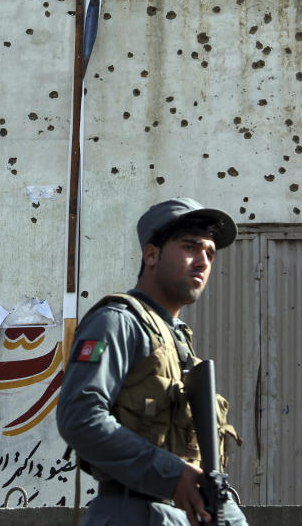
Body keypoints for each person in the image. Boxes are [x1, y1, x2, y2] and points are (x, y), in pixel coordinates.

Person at [57, 198, 248, 526]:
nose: (203, 261)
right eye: (190, 247)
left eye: (210, 253)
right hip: (131, 512)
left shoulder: (176, 339)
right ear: (151, 254)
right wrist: (172, 475)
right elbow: (79, 416)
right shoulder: (117, 322)